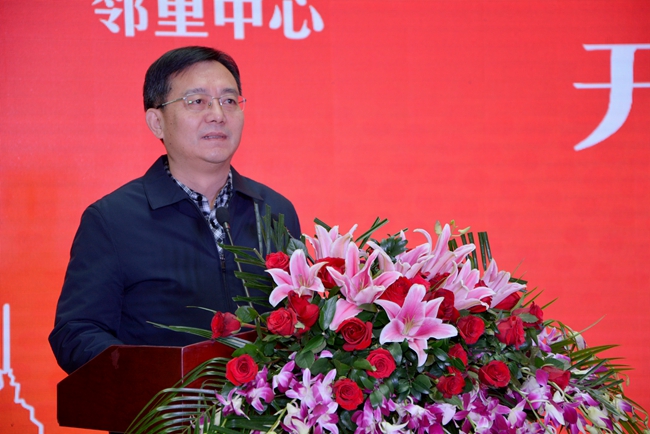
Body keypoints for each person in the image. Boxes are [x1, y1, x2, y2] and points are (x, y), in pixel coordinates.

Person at [49, 46, 300, 375]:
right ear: (157, 122)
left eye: (229, 100)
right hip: (163, 405)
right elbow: (76, 333)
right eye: (197, 101)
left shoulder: (274, 211)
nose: (217, 114)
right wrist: (155, 379)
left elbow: (301, 317)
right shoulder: (112, 220)